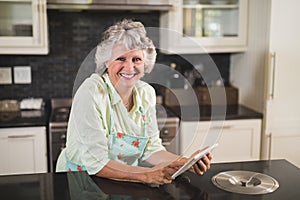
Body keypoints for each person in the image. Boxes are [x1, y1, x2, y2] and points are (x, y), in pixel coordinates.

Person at [56, 19, 212, 185]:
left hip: (123, 181)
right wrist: (147, 175)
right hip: (83, 182)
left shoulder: (146, 93)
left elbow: (151, 149)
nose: (129, 68)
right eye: (120, 59)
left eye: (136, 59)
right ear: (107, 62)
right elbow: (97, 163)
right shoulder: (92, 92)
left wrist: (185, 163)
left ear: (145, 64)